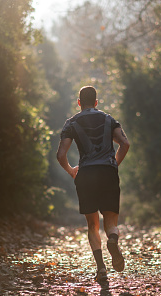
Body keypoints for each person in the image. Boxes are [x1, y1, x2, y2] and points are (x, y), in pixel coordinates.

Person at [56, 86, 130, 282]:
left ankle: (101, 269)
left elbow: (61, 154)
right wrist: (113, 164)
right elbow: (125, 143)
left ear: (79, 102)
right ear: (96, 102)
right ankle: (113, 240)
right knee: (111, 221)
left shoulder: (71, 123)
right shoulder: (109, 119)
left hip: (86, 173)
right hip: (108, 172)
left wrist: (72, 170)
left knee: (92, 224)